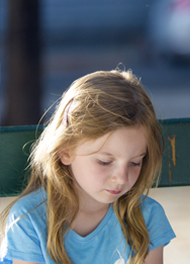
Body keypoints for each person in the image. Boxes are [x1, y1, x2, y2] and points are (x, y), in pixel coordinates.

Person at [0, 69, 175, 264]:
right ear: (66, 150)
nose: (122, 178)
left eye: (135, 163)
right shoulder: (29, 219)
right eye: (105, 162)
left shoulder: (146, 217)